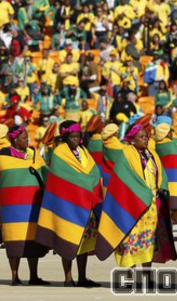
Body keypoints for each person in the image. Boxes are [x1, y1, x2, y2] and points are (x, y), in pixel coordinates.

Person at [96, 123, 176, 276]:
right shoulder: (125, 154)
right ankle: (130, 276)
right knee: (131, 241)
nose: (146, 139)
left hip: (152, 206)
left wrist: (162, 187)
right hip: (133, 205)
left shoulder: (152, 154)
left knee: (149, 241)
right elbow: (123, 180)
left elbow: (161, 174)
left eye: (146, 136)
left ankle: (147, 276)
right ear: (132, 140)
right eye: (141, 137)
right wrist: (141, 193)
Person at [36, 120, 101, 287]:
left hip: (86, 205)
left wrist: (90, 183)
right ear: (65, 137)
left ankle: (82, 277)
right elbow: (63, 178)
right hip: (67, 206)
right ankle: (68, 277)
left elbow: (94, 171)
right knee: (67, 240)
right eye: (72, 136)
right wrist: (85, 181)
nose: (76, 139)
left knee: (84, 244)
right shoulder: (60, 153)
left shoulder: (84, 151)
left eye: (78, 136)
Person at [0, 125, 50, 286]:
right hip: (12, 204)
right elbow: (7, 173)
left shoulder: (33, 153)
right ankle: (15, 276)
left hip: (33, 203)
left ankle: (34, 276)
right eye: (24, 138)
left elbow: (44, 171)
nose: (28, 140)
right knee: (14, 239)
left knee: (33, 240)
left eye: (28, 137)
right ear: (14, 140)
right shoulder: (4, 155)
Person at [154, 121, 177, 219]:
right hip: (176, 183)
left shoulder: (156, 146)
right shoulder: (173, 146)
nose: (172, 134)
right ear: (167, 134)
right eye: (170, 132)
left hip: (163, 184)